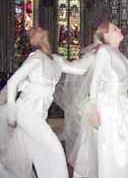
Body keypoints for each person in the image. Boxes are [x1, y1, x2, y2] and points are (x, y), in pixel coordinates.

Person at [0, 27, 90, 178]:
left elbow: (79, 69)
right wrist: (11, 114)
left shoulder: (56, 60)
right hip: (26, 111)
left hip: (39, 115)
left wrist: (96, 54)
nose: (39, 28)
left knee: (29, 155)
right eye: (33, 31)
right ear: (33, 41)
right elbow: (12, 82)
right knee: (55, 150)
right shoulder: (36, 57)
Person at [72, 21, 128, 178]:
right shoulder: (104, 52)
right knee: (112, 149)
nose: (119, 29)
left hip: (122, 106)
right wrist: (93, 110)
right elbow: (95, 82)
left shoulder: (123, 58)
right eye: (114, 28)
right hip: (107, 107)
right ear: (106, 35)